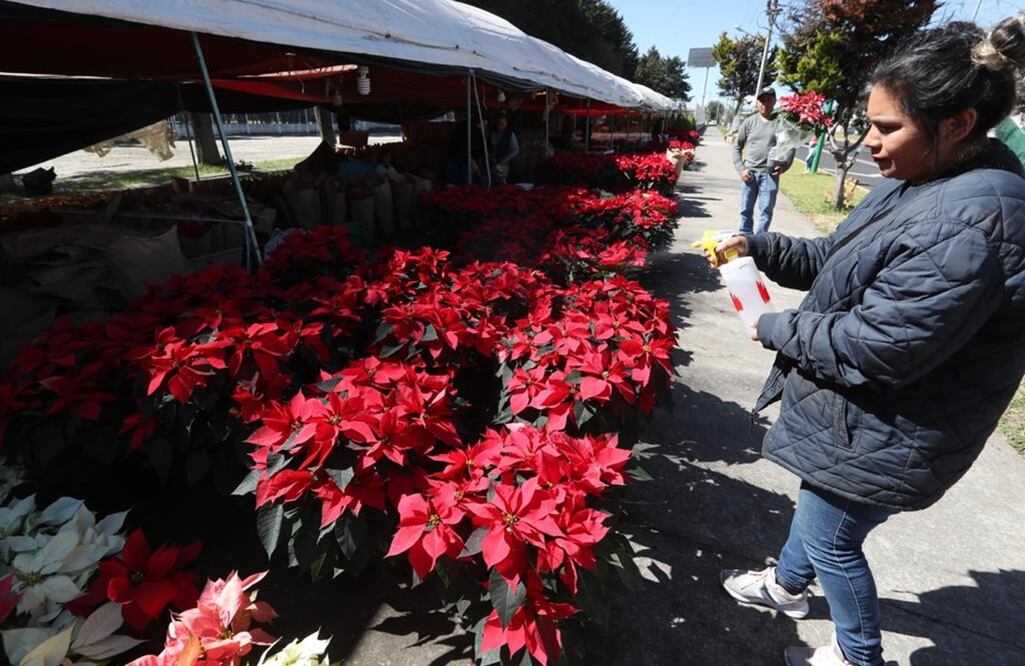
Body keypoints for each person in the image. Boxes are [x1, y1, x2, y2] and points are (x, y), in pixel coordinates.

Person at [711, 15, 1025, 666]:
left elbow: (878, 346)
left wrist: (770, 326)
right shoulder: (920, 181)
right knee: (819, 510)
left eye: (887, 128)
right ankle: (786, 587)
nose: (873, 143)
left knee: (831, 538)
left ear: (956, 124)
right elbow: (833, 257)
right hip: (867, 421)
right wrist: (759, 247)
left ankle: (858, 656)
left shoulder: (973, 218)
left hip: (896, 427)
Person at [731, 87, 795, 233]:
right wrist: (741, 169)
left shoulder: (781, 123)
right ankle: (745, 237)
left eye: (768, 100)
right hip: (750, 174)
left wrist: (785, 166)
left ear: (774, 101)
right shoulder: (748, 122)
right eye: (761, 100)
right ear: (757, 102)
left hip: (770, 175)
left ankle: (760, 241)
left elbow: (790, 146)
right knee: (745, 209)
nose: (764, 104)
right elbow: (736, 148)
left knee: (766, 211)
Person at [490, 112, 519, 185]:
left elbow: (515, 149)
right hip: (492, 161)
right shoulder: (492, 133)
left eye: (502, 123)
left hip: (504, 162)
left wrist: (506, 159)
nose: (500, 126)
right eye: (498, 123)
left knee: (501, 179)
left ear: (506, 123)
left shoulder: (510, 134)